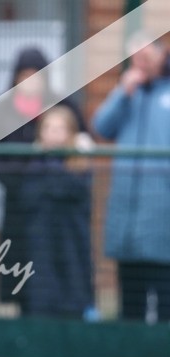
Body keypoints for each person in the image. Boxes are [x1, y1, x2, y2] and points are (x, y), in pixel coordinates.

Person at [0, 47, 90, 309]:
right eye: (25, 75)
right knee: (25, 273)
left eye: (37, 74)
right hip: (19, 205)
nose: (31, 80)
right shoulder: (3, 109)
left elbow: (81, 145)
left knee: (65, 272)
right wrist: (21, 186)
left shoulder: (64, 105)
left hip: (62, 214)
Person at [92, 33, 170, 324]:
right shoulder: (128, 94)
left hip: (163, 216)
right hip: (127, 219)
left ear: (161, 57)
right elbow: (102, 126)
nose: (142, 65)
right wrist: (121, 93)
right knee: (131, 303)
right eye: (137, 59)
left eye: (147, 58)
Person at [19, 105, 94, 318]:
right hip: (41, 246)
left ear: (71, 133)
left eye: (59, 128)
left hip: (72, 246)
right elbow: (28, 197)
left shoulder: (80, 164)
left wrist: (52, 172)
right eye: (48, 128)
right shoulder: (34, 165)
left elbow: (71, 190)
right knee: (43, 298)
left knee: (72, 297)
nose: (53, 133)